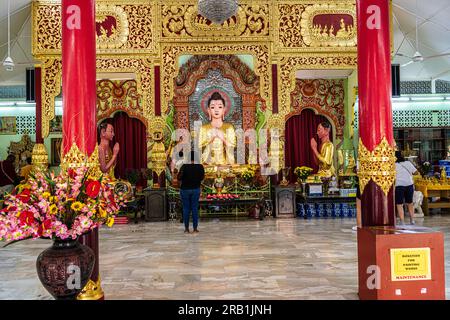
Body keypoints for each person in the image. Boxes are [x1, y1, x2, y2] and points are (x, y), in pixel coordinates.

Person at [199, 92, 236, 166]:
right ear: (208, 110)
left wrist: (223, 138)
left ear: (224, 110)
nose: (216, 110)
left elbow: (232, 147)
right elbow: (199, 148)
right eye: (212, 107)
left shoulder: (229, 127)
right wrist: (211, 138)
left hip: (224, 165)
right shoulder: (203, 128)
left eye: (220, 107)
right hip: (207, 165)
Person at [178, 151, 205, 233]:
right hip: (195, 189)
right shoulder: (200, 166)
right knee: (194, 209)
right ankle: (195, 228)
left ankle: (186, 229)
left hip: (185, 190)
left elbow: (179, 177)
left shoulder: (184, 166)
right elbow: (202, 178)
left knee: (186, 209)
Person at [395, 150, 418, 225]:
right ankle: (412, 220)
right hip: (409, 184)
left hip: (399, 185)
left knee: (399, 204)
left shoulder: (393, 165)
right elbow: (416, 172)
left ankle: (402, 221)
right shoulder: (408, 163)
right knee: (410, 203)